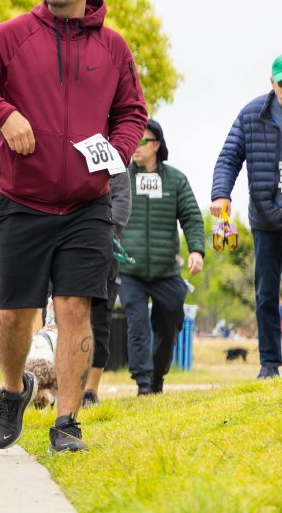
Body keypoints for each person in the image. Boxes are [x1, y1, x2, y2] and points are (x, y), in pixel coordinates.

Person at [0, 0, 147, 453]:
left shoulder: (114, 47)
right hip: (21, 201)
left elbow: (132, 112)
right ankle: (13, 391)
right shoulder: (12, 36)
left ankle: (67, 424)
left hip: (86, 205)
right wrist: (3, 113)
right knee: (14, 313)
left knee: (76, 308)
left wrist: (117, 152)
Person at [119, 120, 205, 394]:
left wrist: (196, 250)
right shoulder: (119, 178)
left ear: (156, 145)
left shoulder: (176, 180)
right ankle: (143, 384)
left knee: (169, 326)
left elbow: (191, 216)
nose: (136, 146)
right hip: (129, 270)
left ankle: (157, 377)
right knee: (137, 326)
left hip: (166, 271)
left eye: (142, 141)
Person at [211, 55, 282, 380]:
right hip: (266, 220)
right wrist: (220, 194)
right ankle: (269, 364)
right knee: (266, 292)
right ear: (272, 83)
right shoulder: (253, 114)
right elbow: (229, 156)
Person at [82, 170, 131, 407]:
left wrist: (105, 233)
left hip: (103, 250)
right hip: (60, 246)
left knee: (99, 321)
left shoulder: (114, 159)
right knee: (54, 317)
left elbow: (121, 200)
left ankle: (90, 391)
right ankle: (55, 385)